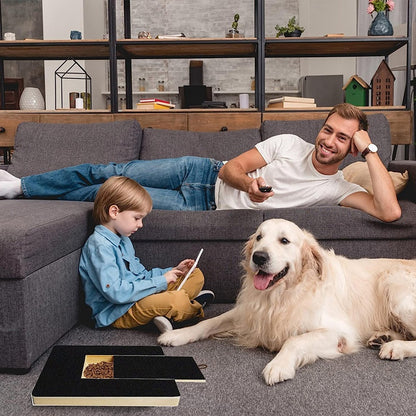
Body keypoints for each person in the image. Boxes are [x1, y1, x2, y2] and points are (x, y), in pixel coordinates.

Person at [0, 103, 400, 222]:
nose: (328, 140)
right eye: (328, 129)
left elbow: (389, 210)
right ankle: (19, 186)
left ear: (352, 148)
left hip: (200, 206)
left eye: (342, 137)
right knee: (110, 171)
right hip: (201, 171)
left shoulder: (340, 189)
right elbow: (231, 169)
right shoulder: (288, 143)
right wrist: (248, 187)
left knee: (107, 195)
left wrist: (371, 150)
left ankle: (28, 190)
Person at [78, 175, 214, 333]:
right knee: (176, 300)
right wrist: (161, 281)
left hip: (138, 296)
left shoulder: (123, 239)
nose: (140, 224)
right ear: (114, 212)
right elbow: (116, 293)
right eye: (137, 218)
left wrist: (172, 271)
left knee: (194, 274)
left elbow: (141, 275)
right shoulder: (99, 246)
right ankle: (188, 307)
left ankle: (169, 311)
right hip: (119, 311)